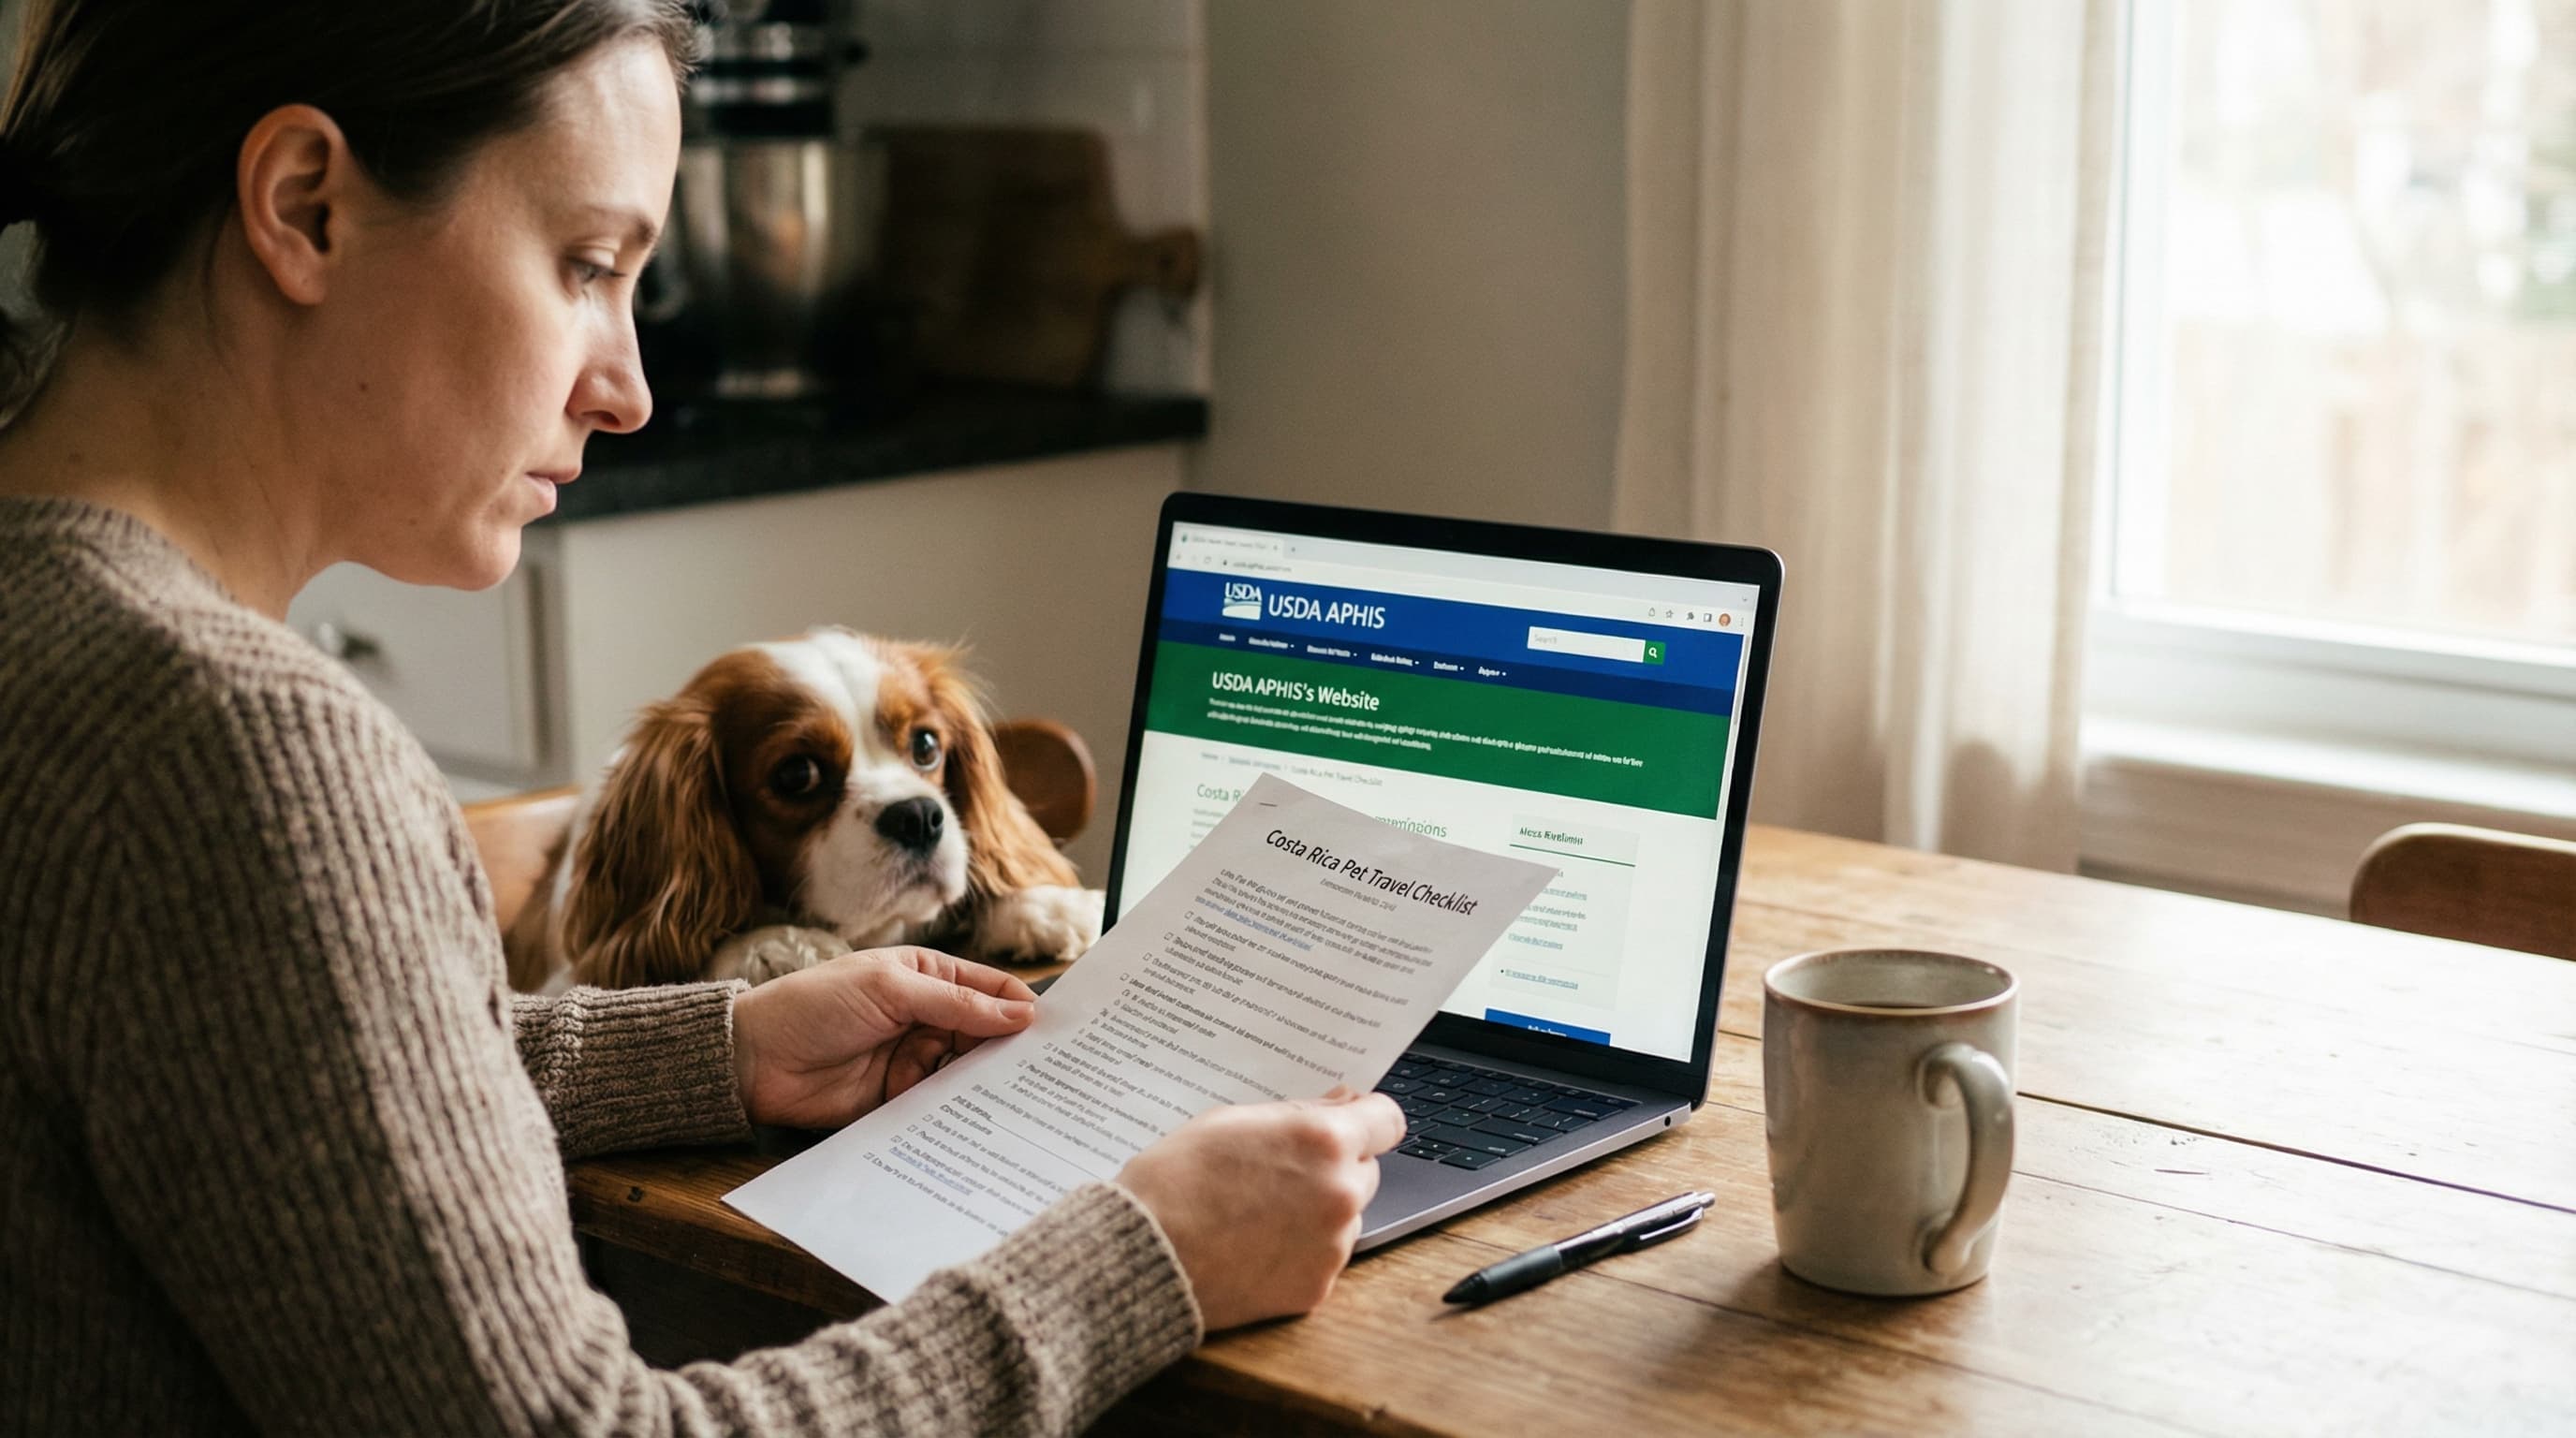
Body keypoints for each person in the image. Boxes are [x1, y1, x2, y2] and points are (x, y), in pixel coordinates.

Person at [0, 2, 1404, 1433]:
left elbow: (259, 1091)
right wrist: (1140, 1259)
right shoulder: (230, 747)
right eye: (588, 265)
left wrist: (717, 1047)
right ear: (306, 207)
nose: (628, 387)